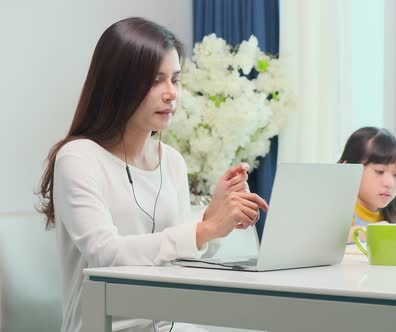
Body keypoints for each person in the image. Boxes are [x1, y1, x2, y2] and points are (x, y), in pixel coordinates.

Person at [37, 17, 268, 332]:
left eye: (175, 79)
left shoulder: (172, 161)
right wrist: (203, 230)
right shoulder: (78, 158)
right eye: (156, 80)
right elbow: (107, 255)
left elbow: (177, 262)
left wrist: (211, 224)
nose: (171, 93)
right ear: (117, 84)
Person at [338, 127, 396, 242]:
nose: (390, 183)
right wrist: (371, 232)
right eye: (379, 171)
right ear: (348, 168)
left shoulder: (394, 216)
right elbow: (326, 240)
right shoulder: (338, 209)